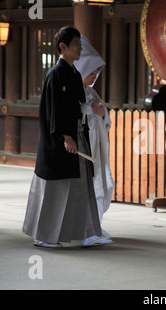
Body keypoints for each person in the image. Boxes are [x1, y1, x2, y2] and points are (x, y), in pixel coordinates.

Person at [22, 26, 112, 248]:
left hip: (78, 136)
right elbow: (54, 111)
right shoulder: (55, 74)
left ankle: (87, 232)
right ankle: (44, 235)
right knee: (56, 188)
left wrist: (91, 111)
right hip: (60, 142)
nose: (80, 49)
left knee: (83, 187)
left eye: (80, 45)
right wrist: (65, 137)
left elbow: (78, 107)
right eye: (76, 45)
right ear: (62, 47)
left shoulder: (74, 74)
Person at [74, 35, 114, 239]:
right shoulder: (73, 91)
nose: (94, 75)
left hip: (97, 147)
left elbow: (105, 118)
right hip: (83, 147)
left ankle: (96, 224)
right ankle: (85, 227)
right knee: (88, 186)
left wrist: (102, 113)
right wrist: (90, 110)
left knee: (101, 183)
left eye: (96, 71)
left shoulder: (91, 92)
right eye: (90, 71)